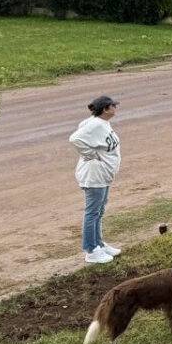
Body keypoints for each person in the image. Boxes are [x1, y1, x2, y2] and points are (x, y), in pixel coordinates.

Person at [69, 96, 123, 264]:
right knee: (92, 212)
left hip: (103, 175)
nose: (116, 108)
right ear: (105, 109)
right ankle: (91, 250)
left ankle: (99, 244)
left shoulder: (101, 123)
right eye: (113, 105)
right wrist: (90, 154)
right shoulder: (95, 124)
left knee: (99, 211)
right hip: (94, 176)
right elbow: (75, 139)